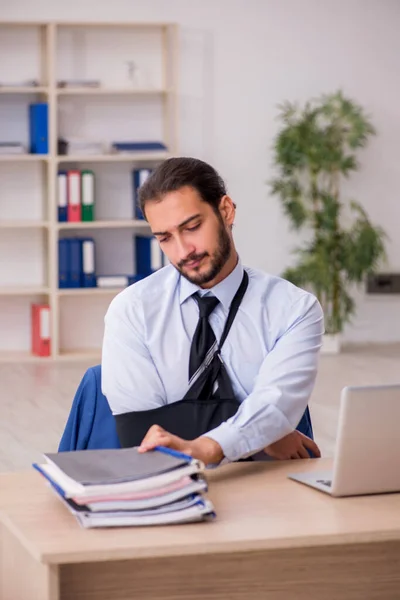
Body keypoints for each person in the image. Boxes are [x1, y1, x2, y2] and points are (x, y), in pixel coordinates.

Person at [101, 157, 324, 466]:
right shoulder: (132, 309)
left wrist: (212, 443)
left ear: (226, 211)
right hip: (167, 480)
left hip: (264, 483)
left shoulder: (293, 309)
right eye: (165, 238)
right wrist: (260, 427)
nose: (182, 251)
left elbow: (277, 407)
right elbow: (137, 430)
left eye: (192, 227)